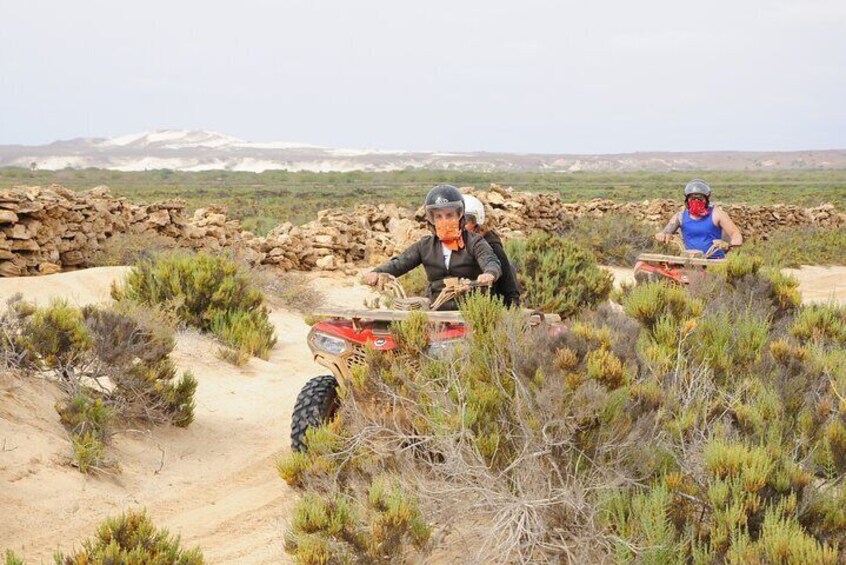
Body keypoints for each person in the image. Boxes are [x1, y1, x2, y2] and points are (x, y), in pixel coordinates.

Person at [363, 184, 502, 310]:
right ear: (431, 220)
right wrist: (376, 272)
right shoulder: (425, 246)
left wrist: (489, 273)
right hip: (435, 308)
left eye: (449, 215)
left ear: (460, 215)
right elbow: (400, 263)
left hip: (471, 308)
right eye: (439, 216)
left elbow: (490, 261)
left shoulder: (475, 242)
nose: (445, 220)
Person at [655, 179, 743, 258]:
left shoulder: (717, 214)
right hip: (690, 261)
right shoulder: (680, 216)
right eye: (692, 198)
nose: (696, 201)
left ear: (706, 200)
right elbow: (666, 232)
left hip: (714, 262)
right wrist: (662, 235)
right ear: (687, 200)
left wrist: (729, 244)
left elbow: (736, 234)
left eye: (700, 198)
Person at [463, 194, 521, 307]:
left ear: (477, 222)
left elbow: (508, 282)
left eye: (465, 220)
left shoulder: (491, 245)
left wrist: (513, 311)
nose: (461, 225)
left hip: (488, 307)